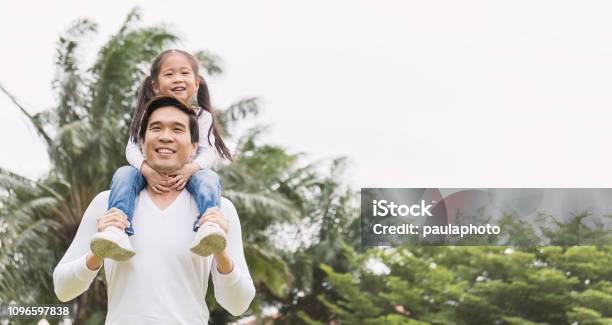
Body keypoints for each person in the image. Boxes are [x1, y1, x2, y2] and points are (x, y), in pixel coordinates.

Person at [53, 96, 255, 324]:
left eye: (177, 129)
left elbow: (238, 304)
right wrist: (98, 252)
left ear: (193, 147)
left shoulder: (219, 209)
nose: (166, 136)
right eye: (156, 128)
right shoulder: (107, 203)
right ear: (141, 141)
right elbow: (63, 289)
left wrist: (221, 251)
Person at [91, 49, 232, 260]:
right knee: (124, 175)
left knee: (209, 178)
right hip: (149, 171)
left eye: (184, 73)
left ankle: (209, 224)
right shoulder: (145, 114)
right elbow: (131, 149)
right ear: (155, 85)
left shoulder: (202, 116)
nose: (177, 79)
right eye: (169, 74)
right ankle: (116, 228)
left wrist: (190, 169)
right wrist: (146, 170)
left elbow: (207, 151)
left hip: (189, 174)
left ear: (197, 82)